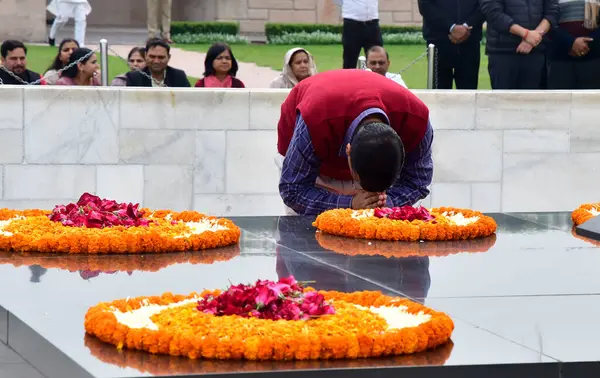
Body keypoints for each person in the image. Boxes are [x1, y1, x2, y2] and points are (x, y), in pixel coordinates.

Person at [276, 69, 433, 216]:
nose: (371, 195)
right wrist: (348, 204)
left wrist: (387, 202)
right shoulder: (316, 119)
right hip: (312, 167)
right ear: (348, 152)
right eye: (359, 184)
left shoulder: (416, 121)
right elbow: (293, 189)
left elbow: (417, 182)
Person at [481, 0, 559, 89]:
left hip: (536, 52)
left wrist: (533, 38)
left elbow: (552, 12)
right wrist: (526, 34)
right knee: (504, 100)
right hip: (503, 53)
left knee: (534, 100)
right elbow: (493, 13)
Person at [418, 0, 484, 89]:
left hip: (470, 42)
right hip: (438, 42)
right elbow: (425, 5)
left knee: (468, 93)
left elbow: (485, 5)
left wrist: (467, 25)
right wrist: (450, 27)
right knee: (439, 92)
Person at [548, 0, 600, 89]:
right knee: (560, 100)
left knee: (591, 101)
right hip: (561, 58)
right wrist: (570, 42)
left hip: (593, 58)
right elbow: (548, 20)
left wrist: (587, 43)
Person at [337, 0, 384, 69]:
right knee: (350, 60)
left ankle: (376, 79)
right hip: (352, 24)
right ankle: (348, 79)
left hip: (372, 23)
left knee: (377, 57)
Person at [125, 38, 190, 87]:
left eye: (161, 57)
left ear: (169, 57)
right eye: (152, 57)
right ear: (145, 56)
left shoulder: (179, 76)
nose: (156, 61)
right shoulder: (134, 78)